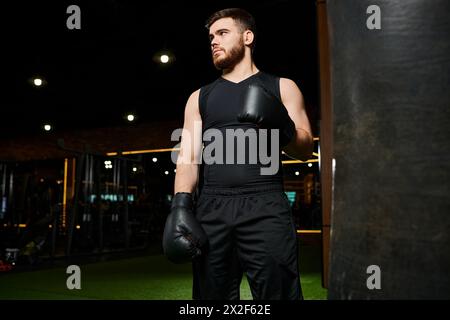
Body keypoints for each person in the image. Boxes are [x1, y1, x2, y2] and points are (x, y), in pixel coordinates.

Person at [163, 8, 313, 300]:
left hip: (266, 206)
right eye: (210, 38)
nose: (213, 42)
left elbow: (305, 150)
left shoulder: (282, 87)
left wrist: (281, 123)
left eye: (222, 33)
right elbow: (189, 157)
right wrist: (180, 205)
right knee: (211, 298)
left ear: (247, 37)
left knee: (278, 293)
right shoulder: (199, 97)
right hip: (212, 207)